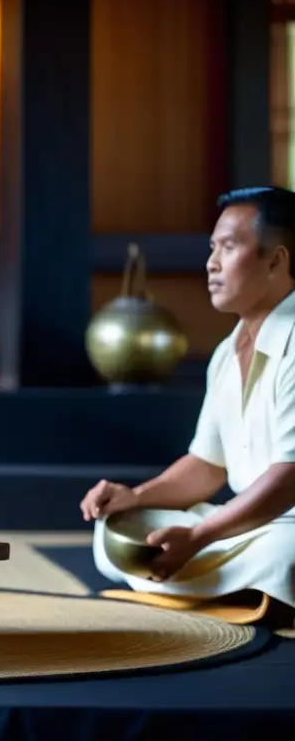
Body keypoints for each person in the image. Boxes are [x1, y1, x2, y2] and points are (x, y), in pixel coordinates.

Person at [81, 186, 295, 610]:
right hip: (247, 524)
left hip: (286, 529)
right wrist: (136, 497)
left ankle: (222, 577)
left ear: (275, 260)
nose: (211, 263)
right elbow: (206, 466)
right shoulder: (226, 352)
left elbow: (290, 476)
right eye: (212, 247)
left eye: (228, 247)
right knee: (116, 533)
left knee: (283, 556)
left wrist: (200, 537)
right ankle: (238, 586)